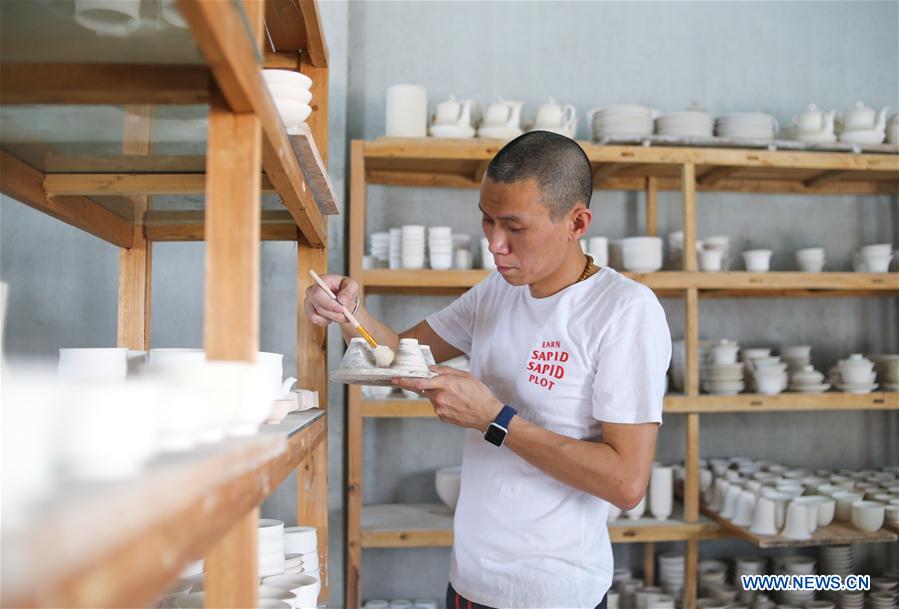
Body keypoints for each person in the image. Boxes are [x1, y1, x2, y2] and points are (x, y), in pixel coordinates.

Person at [304, 131, 671, 609]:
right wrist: (350, 314)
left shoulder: (624, 311)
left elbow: (626, 484)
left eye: (515, 227)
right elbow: (399, 353)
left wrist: (494, 421)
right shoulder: (497, 291)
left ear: (576, 222)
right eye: (487, 221)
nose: (495, 244)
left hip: (552, 593)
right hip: (470, 579)